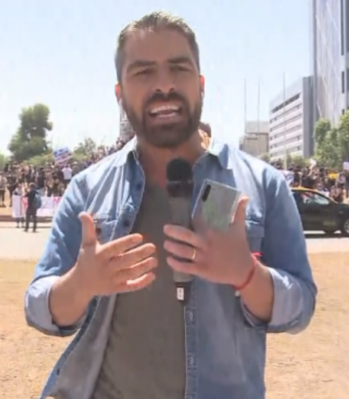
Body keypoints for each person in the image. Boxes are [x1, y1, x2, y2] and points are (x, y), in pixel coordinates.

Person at [24, 12, 317, 399]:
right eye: (143, 72)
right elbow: (38, 307)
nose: (163, 85)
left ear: (200, 84)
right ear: (120, 95)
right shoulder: (87, 191)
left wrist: (247, 275)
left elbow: (301, 307)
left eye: (178, 68)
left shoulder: (262, 185)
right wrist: (81, 285)